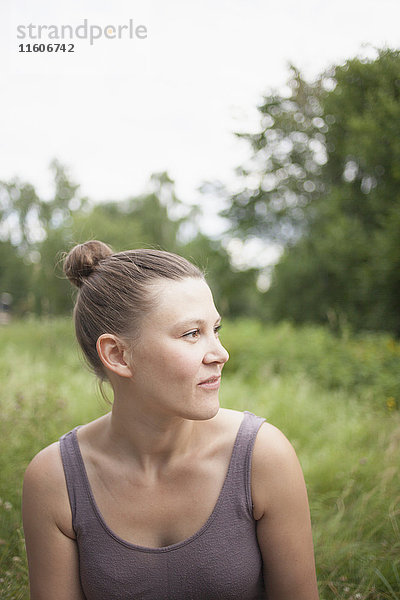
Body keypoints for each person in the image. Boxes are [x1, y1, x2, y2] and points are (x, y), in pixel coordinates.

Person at [22, 240, 319, 600]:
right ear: (118, 354)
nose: (221, 354)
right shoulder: (54, 479)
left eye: (216, 329)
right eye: (192, 333)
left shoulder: (263, 457)